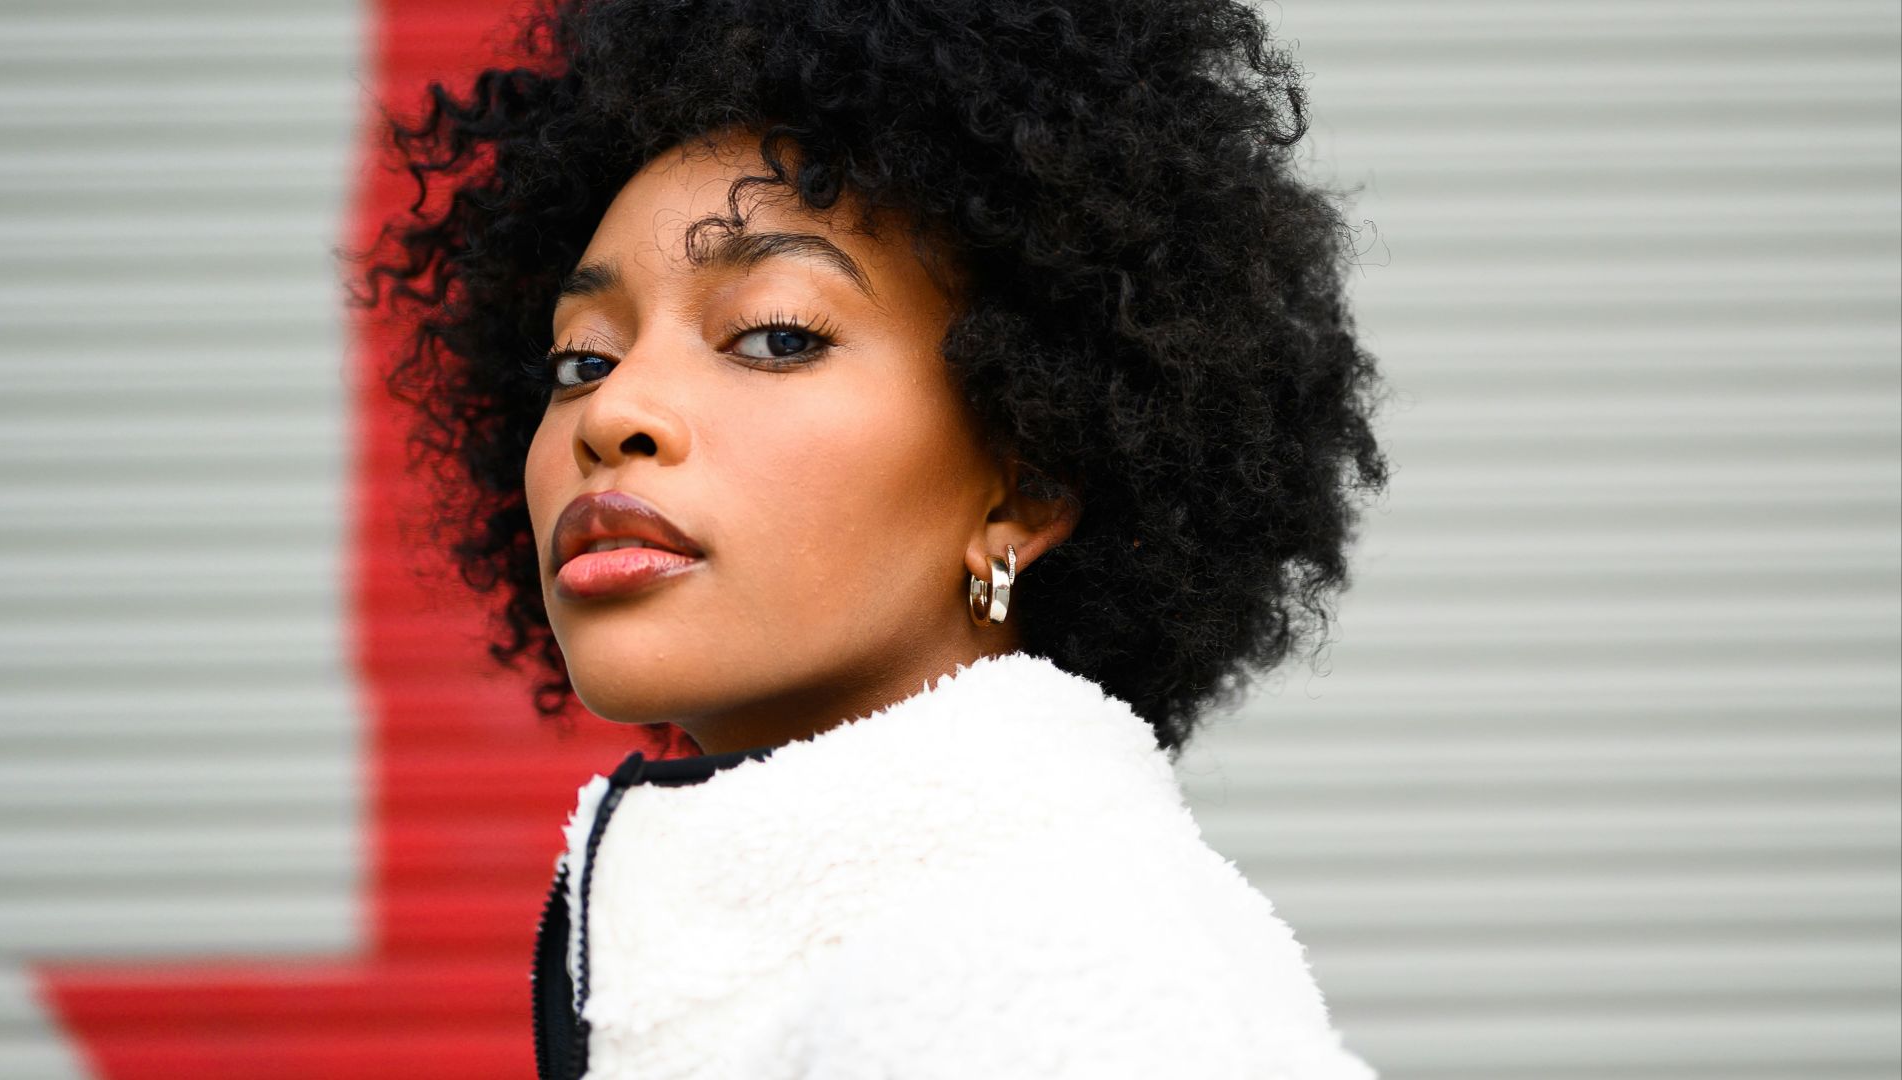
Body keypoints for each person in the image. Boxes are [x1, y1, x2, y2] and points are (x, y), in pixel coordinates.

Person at [362, 0, 1389, 1075]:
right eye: (580, 360)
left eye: (773, 335)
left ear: (1026, 487)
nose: (614, 413)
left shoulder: (1049, 980)